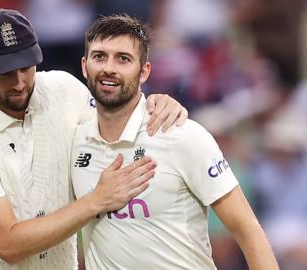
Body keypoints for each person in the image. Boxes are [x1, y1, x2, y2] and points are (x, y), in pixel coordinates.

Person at [0, 9, 187, 270]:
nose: (20, 82)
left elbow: (116, 125)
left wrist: (155, 104)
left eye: (25, 66)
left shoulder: (63, 90)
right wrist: (96, 200)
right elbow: (8, 244)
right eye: (5, 72)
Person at [71, 14, 279, 269]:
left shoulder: (182, 135)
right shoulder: (74, 140)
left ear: (144, 71)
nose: (109, 68)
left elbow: (248, 230)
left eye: (123, 59)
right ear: (84, 65)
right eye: (99, 56)